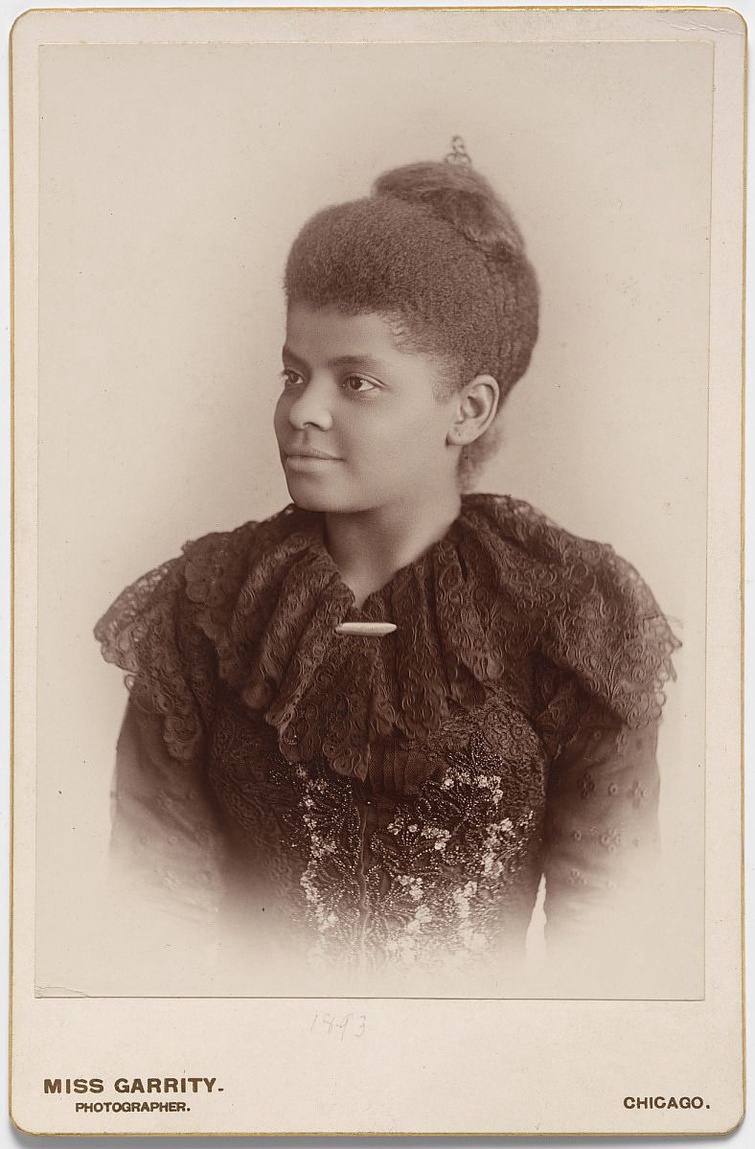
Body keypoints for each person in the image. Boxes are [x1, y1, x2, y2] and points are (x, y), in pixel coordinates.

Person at [95, 143, 679, 990]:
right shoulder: (207, 611)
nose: (304, 411)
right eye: (293, 372)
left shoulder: (569, 612)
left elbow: (614, 945)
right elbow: (149, 925)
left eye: (356, 382)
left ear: (468, 409)